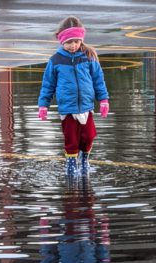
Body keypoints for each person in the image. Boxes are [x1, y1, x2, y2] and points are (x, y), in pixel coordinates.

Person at [38, 16, 109, 176]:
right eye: (69, 42)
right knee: (71, 140)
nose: (73, 45)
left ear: (81, 40)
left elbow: (98, 80)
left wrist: (103, 99)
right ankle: (71, 166)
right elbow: (48, 84)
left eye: (76, 41)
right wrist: (43, 105)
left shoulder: (88, 56)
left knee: (89, 136)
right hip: (67, 108)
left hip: (86, 106)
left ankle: (84, 161)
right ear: (62, 41)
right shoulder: (55, 60)